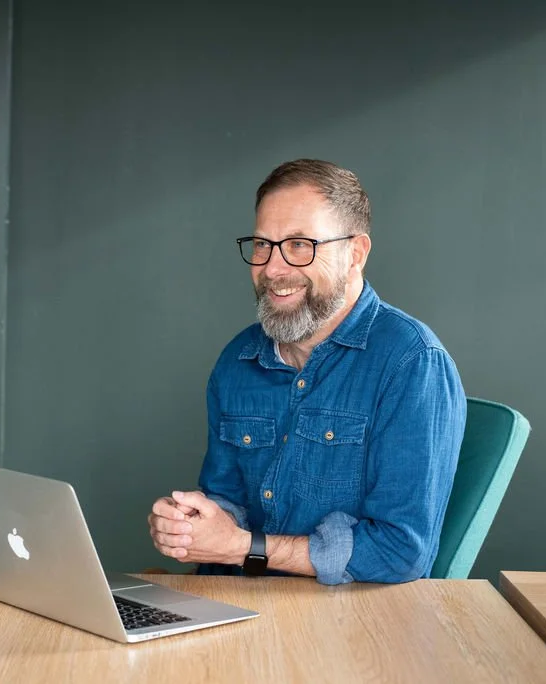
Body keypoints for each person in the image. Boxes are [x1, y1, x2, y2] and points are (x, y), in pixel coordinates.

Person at [147, 159, 466, 584]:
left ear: (355, 253)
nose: (274, 269)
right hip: (247, 607)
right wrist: (195, 525)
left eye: (300, 244)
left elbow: (401, 552)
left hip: (357, 627)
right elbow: (228, 500)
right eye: (262, 245)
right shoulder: (237, 360)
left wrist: (244, 547)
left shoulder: (412, 362)